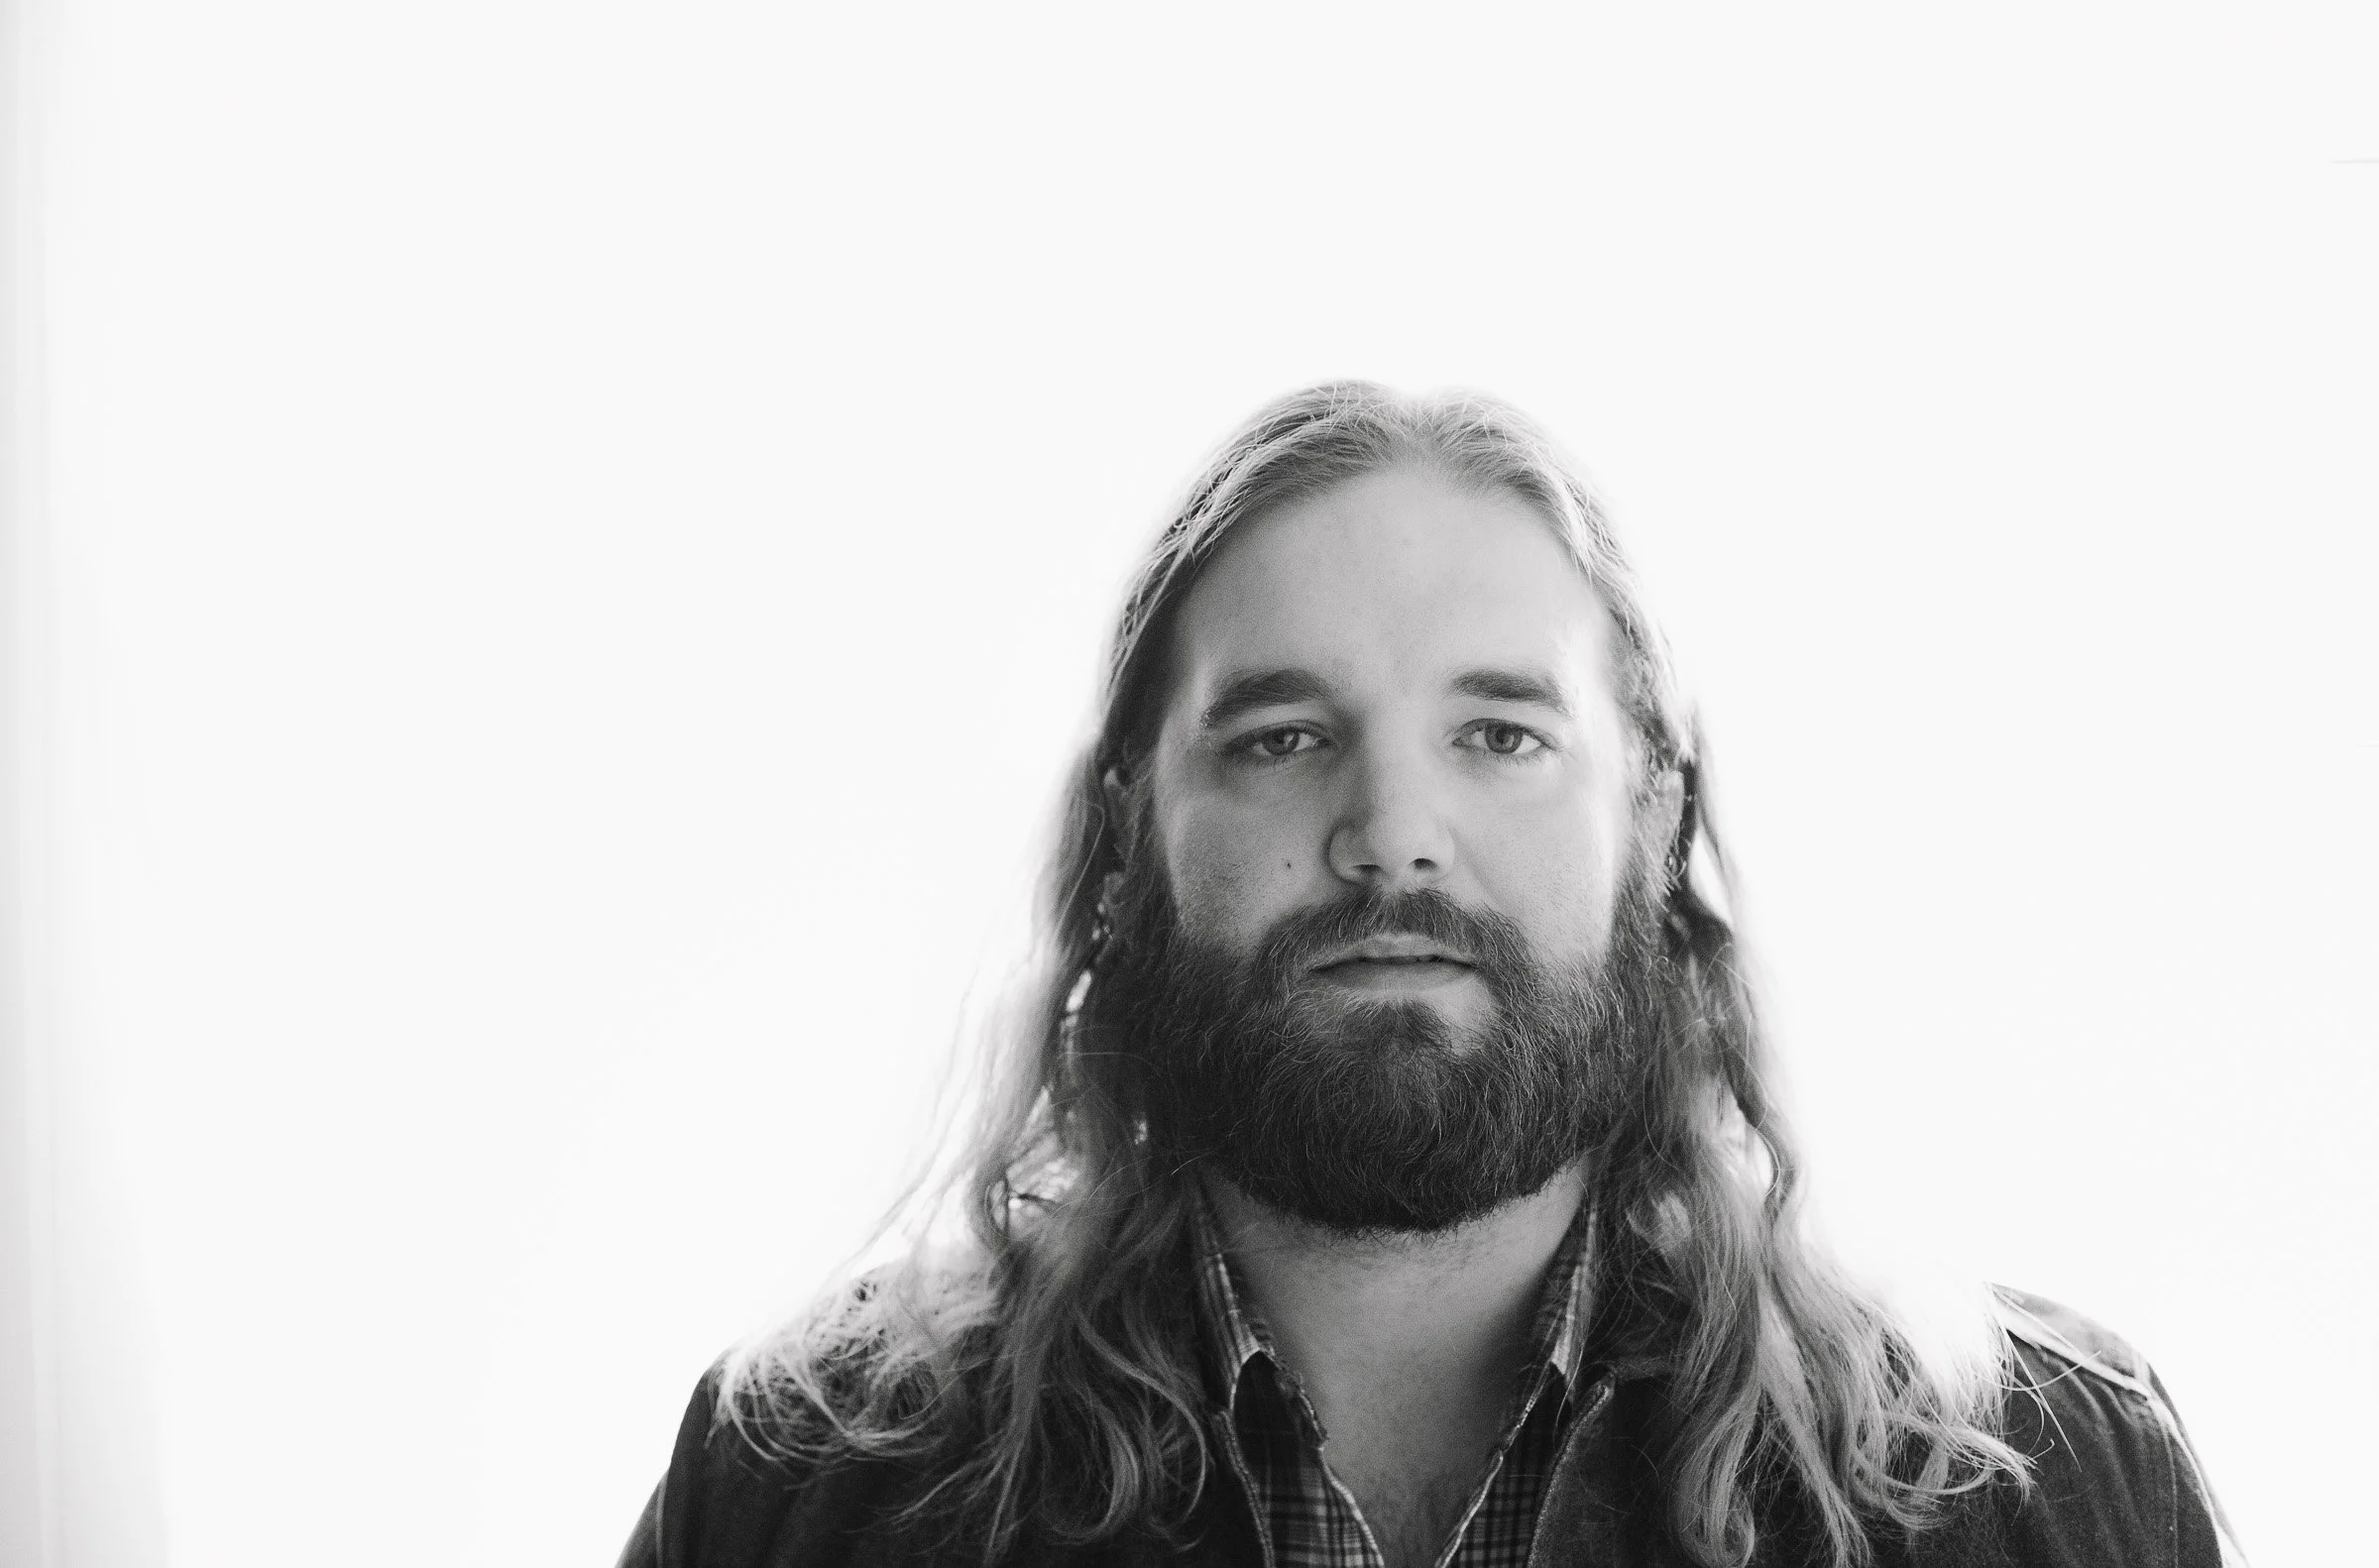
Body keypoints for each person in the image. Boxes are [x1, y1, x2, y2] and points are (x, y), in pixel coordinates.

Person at [618, 385, 2241, 1567]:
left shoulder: (2042, 1485)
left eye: (1501, 735)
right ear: (1129, 833)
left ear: (1655, 814)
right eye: (1282, 737)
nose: (1395, 834)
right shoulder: (806, 1492)